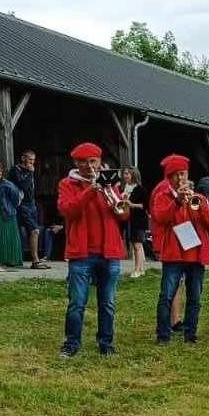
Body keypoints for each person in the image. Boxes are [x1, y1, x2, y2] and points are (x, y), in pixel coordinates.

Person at [57, 142, 130, 357]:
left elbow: (123, 216)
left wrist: (121, 203)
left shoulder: (111, 184)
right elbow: (68, 210)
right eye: (83, 162)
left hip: (109, 252)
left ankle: (106, 344)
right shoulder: (67, 184)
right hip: (81, 253)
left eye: (93, 161)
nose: (89, 166)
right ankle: (72, 344)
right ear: (75, 163)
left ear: (99, 162)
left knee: (107, 302)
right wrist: (91, 190)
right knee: (77, 303)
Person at [150, 154, 209, 345]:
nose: (180, 179)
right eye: (175, 175)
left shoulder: (200, 197)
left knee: (194, 297)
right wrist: (177, 201)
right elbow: (160, 218)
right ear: (168, 178)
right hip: (174, 254)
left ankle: (190, 335)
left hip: (195, 254)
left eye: (183, 174)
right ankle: (163, 336)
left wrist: (200, 205)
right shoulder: (162, 196)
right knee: (166, 296)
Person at [8, 150, 48, 269]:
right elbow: (23, 186)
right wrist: (30, 173)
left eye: (33, 160)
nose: (32, 162)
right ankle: (35, 261)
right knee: (34, 231)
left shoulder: (29, 171)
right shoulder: (16, 170)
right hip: (22, 205)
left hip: (31, 204)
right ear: (23, 158)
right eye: (30, 159)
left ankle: (33, 259)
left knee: (32, 231)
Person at [0, 161, 24, 272]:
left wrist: (9, 208)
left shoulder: (6, 184)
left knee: (3, 237)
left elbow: (17, 198)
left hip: (4, 214)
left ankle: (3, 262)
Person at [119, 166, 149, 278]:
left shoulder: (140, 189)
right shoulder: (124, 188)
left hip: (138, 220)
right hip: (128, 219)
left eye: (127, 174)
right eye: (124, 174)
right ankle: (141, 269)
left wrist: (131, 204)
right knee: (136, 244)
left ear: (133, 175)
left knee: (137, 245)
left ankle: (137, 270)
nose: (125, 176)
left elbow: (144, 206)